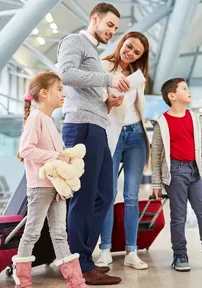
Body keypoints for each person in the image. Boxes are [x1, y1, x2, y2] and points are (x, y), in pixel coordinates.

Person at [57, 2, 129, 285]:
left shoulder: (94, 55)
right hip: (81, 127)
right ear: (95, 19)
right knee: (84, 198)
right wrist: (108, 79)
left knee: (104, 194)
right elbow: (65, 74)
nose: (112, 32)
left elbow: (85, 88)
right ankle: (80, 264)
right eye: (109, 25)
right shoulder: (75, 41)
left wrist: (106, 101)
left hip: (96, 125)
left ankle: (85, 257)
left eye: (115, 28)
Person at [151, 78, 202, 272]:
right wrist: (156, 183)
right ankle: (179, 255)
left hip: (195, 172)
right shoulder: (162, 123)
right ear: (172, 96)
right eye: (184, 88)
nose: (189, 91)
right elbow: (156, 155)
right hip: (175, 173)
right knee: (178, 217)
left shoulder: (196, 119)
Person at [12, 72, 88, 287]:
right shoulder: (36, 118)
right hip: (40, 187)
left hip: (57, 186)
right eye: (60, 89)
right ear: (44, 94)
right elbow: (26, 150)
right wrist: (57, 156)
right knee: (32, 233)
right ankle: (24, 282)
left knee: (59, 233)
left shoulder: (49, 120)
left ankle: (77, 282)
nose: (64, 93)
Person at [96, 31, 150, 270]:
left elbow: (139, 105)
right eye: (129, 47)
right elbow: (95, 102)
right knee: (107, 195)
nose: (131, 53)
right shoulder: (102, 66)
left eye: (137, 52)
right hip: (112, 134)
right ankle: (105, 249)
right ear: (122, 43)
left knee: (131, 197)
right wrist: (109, 103)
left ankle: (131, 252)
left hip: (136, 135)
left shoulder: (138, 75)